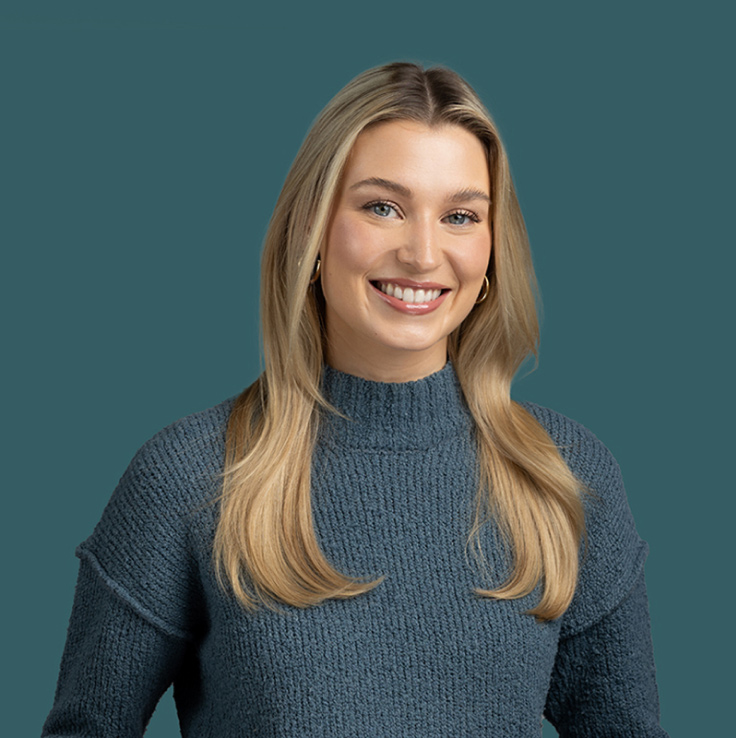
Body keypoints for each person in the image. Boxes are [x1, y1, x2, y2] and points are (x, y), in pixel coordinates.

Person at [42, 62, 669, 737]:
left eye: (460, 216)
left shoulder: (567, 477)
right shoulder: (189, 478)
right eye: (382, 206)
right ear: (314, 229)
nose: (424, 253)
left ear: (491, 250)